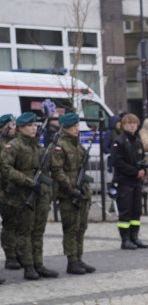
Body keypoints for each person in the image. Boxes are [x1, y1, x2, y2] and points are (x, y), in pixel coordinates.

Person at [0, 112, 59, 279]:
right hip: (22, 194)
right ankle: (28, 265)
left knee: (38, 230)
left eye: (34, 125)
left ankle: (38, 263)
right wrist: (27, 181)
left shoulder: (38, 147)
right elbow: (5, 168)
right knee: (25, 231)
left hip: (40, 194)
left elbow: (49, 169)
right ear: (20, 128)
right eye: (29, 126)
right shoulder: (13, 146)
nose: (33, 128)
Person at [50, 112, 96, 273]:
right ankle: (71, 261)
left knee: (81, 226)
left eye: (77, 125)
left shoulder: (77, 145)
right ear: (66, 127)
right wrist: (71, 189)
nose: (77, 128)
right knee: (71, 228)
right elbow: (57, 170)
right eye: (74, 126)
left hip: (81, 190)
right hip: (68, 193)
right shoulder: (59, 145)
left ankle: (79, 258)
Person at [108, 113, 148, 251]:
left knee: (136, 211)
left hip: (136, 181)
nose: (132, 125)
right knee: (125, 211)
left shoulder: (137, 140)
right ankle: (125, 239)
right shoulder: (119, 141)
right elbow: (118, 162)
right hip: (124, 181)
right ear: (124, 125)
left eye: (134, 123)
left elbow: (141, 157)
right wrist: (134, 171)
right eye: (129, 123)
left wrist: (143, 169)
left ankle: (135, 237)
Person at [0, 114, 19, 271]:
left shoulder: (16, 143)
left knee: (16, 223)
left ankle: (17, 253)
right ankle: (10, 255)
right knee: (8, 224)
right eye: (9, 125)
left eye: (14, 124)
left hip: (15, 190)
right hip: (3, 190)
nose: (12, 128)